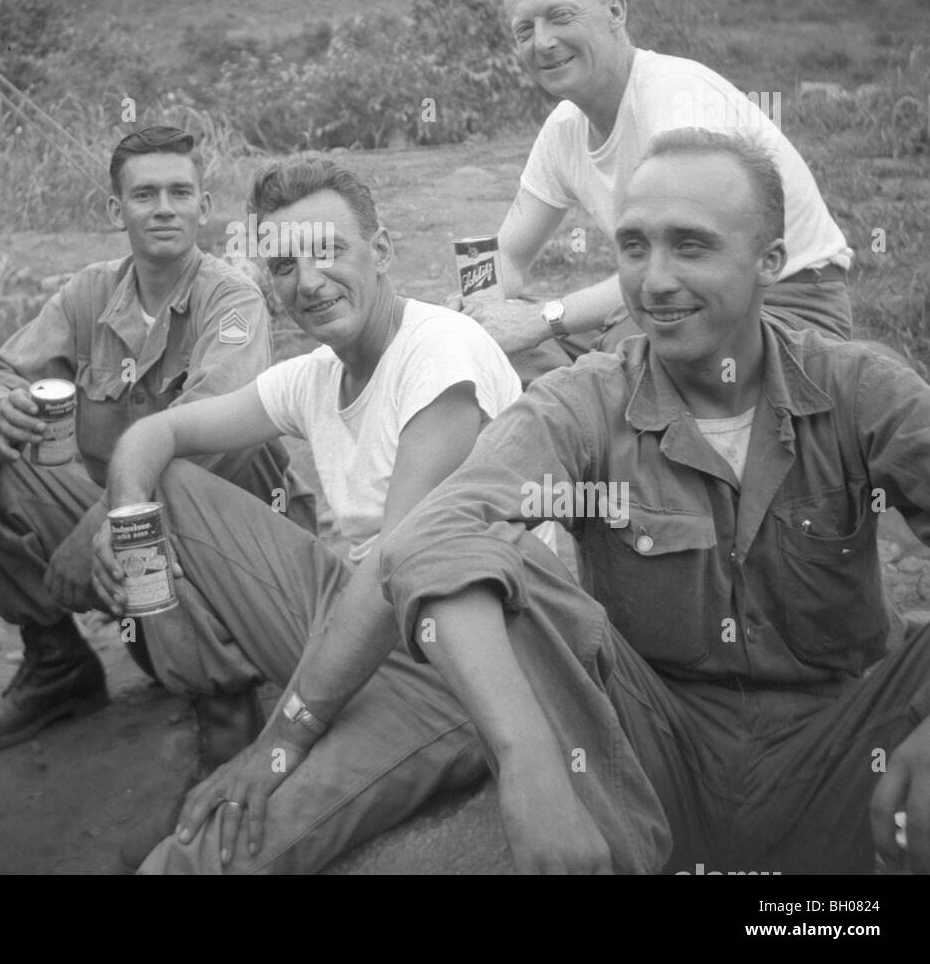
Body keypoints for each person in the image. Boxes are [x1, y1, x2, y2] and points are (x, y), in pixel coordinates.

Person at [379, 128, 930, 874]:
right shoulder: (584, 400)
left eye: (691, 247)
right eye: (633, 247)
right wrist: (528, 764)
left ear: (770, 261)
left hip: (841, 746)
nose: (654, 280)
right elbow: (432, 539)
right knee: (511, 578)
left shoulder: (858, 387)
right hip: (650, 756)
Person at [91, 157, 549, 875]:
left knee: (188, 864)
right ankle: (219, 711)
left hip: (458, 663)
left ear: (383, 251)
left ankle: (251, 763)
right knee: (165, 487)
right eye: (282, 265)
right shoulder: (318, 376)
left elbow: (395, 575)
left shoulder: (441, 356)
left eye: (330, 251)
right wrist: (125, 525)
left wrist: (279, 749)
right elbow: (158, 435)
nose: (307, 281)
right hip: (364, 612)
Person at [0, 126, 315, 754]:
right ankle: (58, 664)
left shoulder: (232, 300)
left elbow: (205, 446)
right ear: (117, 211)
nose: (163, 208)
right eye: (144, 195)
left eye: (179, 192)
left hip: (239, 536)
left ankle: (226, 721)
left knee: (149, 517)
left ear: (204, 205)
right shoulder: (88, 293)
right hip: (131, 521)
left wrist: (100, 527)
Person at [474, 0, 852, 380]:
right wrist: (475, 312)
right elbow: (511, 257)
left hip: (781, 300)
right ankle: (576, 405)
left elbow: (681, 268)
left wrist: (541, 319)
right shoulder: (564, 130)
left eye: (560, 16)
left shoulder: (677, 101)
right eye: (524, 30)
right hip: (665, 301)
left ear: (615, 12)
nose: (543, 42)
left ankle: (592, 403)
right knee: (480, 352)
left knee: (616, 366)